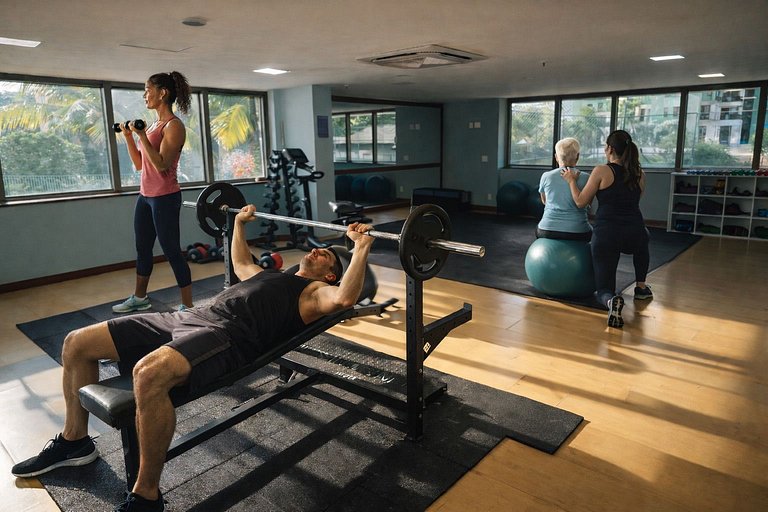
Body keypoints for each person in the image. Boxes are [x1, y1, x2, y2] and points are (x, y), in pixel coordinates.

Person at [11, 204, 375, 512]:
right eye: (319, 249)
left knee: (148, 373)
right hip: (186, 317)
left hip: (225, 335)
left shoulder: (315, 293)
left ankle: (146, 495)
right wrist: (237, 223)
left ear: (330, 274)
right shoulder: (270, 275)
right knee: (77, 342)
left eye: (326, 255)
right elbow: (240, 261)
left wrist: (360, 248)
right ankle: (75, 441)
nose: (316, 251)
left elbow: (344, 300)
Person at [113, 71, 194, 314]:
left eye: (148, 89)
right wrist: (129, 137)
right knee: (142, 247)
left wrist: (140, 135)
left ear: (163, 93)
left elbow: (161, 164)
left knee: (171, 249)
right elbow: (140, 164)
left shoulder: (174, 126)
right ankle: (140, 297)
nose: (145, 95)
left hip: (165, 197)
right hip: (145, 196)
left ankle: (188, 305)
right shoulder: (153, 127)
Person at [561, 129, 653, 328]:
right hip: (635, 232)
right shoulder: (640, 174)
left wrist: (571, 181)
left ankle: (611, 301)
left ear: (610, 149)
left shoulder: (602, 170)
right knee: (644, 236)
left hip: (607, 235)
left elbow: (580, 202)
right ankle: (641, 287)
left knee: (603, 290)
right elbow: (633, 202)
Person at [536, 137, 592, 240]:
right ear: (578, 157)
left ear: (556, 157)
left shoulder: (546, 176)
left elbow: (545, 201)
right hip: (578, 231)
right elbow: (588, 205)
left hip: (547, 229)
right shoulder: (587, 177)